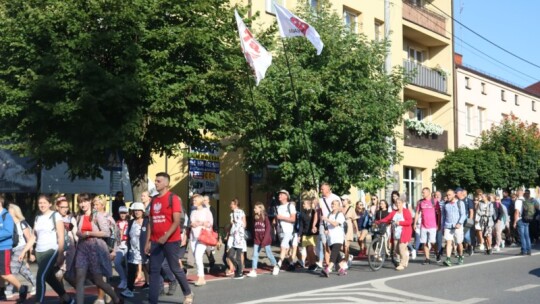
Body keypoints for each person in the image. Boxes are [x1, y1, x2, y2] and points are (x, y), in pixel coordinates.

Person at [144, 172, 193, 304]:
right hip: (155, 241)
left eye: (159, 181)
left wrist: (165, 236)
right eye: (155, 180)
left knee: (174, 267)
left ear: (166, 183)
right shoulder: (153, 200)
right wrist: (148, 241)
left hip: (171, 240)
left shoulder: (173, 198)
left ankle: (187, 293)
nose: (156, 183)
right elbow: (150, 222)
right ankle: (152, 300)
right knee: (153, 271)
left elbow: (176, 221)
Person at [22, 194, 73, 303]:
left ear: (50, 204)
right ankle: (68, 299)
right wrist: (24, 251)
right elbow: (33, 237)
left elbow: (61, 237)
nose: (42, 205)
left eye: (44, 203)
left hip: (51, 250)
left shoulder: (55, 216)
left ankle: (38, 301)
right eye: (40, 203)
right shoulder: (37, 217)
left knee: (40, 276)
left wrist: (60, 254)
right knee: (50, 278)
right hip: (39, 252)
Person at [74, 193, 122, 304]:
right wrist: (79, 233)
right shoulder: (79, 216)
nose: (83, 204)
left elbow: (106, 233)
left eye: (85, 201)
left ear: (90, 201)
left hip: (95, 248)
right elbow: (78, 230)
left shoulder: (98, 215)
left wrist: (88, 233)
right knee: (79, 278)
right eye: (80, 202)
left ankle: (115, 298)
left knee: (98, 281)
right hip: (82, 248)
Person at [0, 194, 30, 303]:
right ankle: (2, 292)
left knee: (5, 273)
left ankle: (22, 288)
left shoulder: (6, 215)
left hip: (4, 248)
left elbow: (8, 232)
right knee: (1, 273)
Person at [5, 204, 36, 299]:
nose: (8, 212)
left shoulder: (22, 223)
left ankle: (8, 290)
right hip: (13, 249)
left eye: (10, 211)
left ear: (15, 212)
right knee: (23, 270)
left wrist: (30, 252)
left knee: (13, 268)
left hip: (21, 248)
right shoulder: (9, 223)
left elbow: (29, 238)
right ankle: (36, 283)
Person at [376, 198, 413, 271]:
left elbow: (409, 222)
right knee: (396, 250)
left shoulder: (406, 211)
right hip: (396, 233)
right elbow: (387, 219)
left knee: (401, 248)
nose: (398, 204)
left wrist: (400, 223)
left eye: (399, 203)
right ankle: (406, 255)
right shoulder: (394, 212)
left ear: (402, 203)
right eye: (397, 203)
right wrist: (378, 222)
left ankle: (402, 264)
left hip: (404, 233)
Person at [121, 202, 146, 298]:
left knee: (148, 269)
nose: (137, 212)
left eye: (139, 210)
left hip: (144, 250)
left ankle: (155, 286)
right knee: (131, 271)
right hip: (133, 251)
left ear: (142, 211)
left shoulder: (146, 222)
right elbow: (128, 236)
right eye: (135, 210)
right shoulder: (131, 222)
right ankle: (129, 289)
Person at [247, 201, 278, 278]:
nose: (254, 209)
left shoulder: (265, 217)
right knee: (255, 255)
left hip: (265, 239)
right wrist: (254, 237)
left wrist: (265, 239)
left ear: (260, 209)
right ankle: (254, 270)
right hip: (257, 240)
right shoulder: (255, 218)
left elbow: (268, 229)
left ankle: (275, 266)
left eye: (255, 208)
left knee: (268, 254)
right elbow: (254, 229)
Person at [189, 194, 213, 286]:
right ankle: (201, 276)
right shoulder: (193, 211)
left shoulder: (206, 211)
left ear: (200, 201)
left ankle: (201, 277)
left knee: (198, 256)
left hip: (203, 236)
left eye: (195, 200)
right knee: (196, 257)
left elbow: (210, 223)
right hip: (194, 237)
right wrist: (193, 224)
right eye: (193, 200)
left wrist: (201, 223)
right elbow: (191, 223)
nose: (193, 201)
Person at [54, 196, 77, 288]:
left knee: (62, 274)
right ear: (57, 207)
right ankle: (64, 296)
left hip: (69, 249)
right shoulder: (53, 218)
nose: (65, 209)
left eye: (66, 207)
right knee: (58, 274)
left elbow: (76, 234)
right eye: (62, 207)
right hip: (57, 248)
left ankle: (78, 291)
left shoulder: (71, 219)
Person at [320, 199, 347, 277]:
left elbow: (335, 224)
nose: (333, 205)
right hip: (331, 238)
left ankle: (328, 269)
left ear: (338, 206)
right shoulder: (329, 214)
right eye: (332, 204)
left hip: (338, 238)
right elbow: (327, 226)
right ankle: (342, 269)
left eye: (335, 204)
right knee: (337, 255)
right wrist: (326, 230)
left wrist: (326, 219)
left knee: (333, 255)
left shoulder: (340, 215)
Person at [317, 183, 341, 269]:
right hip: (323, 224)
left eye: (322, 189)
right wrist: (314, 224)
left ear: (327, 189)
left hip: (333, 224)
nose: (321, 190)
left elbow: (340, 210)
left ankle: (337, 263)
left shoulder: (335, 197)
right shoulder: (320, 200)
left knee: (332, 245)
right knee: (325, 245)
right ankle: (328, 265)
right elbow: (317, 212)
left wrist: (338, 220)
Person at [414, 187, 439, 265]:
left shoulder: (434, 201)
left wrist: (439, 224)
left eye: (423, 192)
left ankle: (437, 252)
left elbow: (439, 213)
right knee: (424, 243)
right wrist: (414, 223)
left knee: (432, 242)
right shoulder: (421, 202)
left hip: (432, 225)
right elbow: (417, 213)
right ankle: (427, 258)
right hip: (423, 226)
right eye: (422, 192)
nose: (422, 194)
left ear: (428, 193)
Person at [442, 189, 467, 266]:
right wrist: (443, 226)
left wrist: (459, 223)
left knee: (459, 242)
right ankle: (448, 259)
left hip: (457, 226)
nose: (447, 196)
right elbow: (444, 216)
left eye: (449, 195)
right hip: (448, 225)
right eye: (447, 195)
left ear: (454, 195)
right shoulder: (445, 204)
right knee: (448, 242)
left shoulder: (460, 203)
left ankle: (460, 256)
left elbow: (463, 215)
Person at [274, 190, 296, 273]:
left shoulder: (290, 206)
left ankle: (278, 264)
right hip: (281, 231)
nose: (279, 195)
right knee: (285, 249)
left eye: (281, 194)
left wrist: (281, 217)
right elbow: (278, 219)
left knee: (283, 247)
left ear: (286, 196)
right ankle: (291, 263)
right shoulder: (278, 207)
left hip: (289, 231)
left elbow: (293, 219)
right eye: (279, 194)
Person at [227, 198, 247, 279]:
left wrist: (238, 224)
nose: (230, 205)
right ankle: (239, 269)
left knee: (238, 255)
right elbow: (232, 225)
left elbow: (244, 224)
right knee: (230, 255)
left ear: (235, 204)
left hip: (239, 236)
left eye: (232, 204)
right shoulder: (232, 214)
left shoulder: (241, 212)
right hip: (233, 236)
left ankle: (239, 273)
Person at [115, 206, 130, 289]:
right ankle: (123, 279)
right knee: (117, 263)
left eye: (124, 213)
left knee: (128, 265)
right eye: (121, 213)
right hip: (119, 245)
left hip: (127, 245)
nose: (123, 214)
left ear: (127, 213)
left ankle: (128, 281)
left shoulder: (130, 222)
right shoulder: (116, 223)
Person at [513, 189, 531, 255]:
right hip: (527, 219)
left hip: (520, 219)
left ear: (518, 193)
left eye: (516, 192)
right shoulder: (526, 200)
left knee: (522, 236)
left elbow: (517, 212)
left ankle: (524, 250)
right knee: (527, 235)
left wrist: (515, 222)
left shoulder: (518, 201)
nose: (515, 193)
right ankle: (529, 250)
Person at [341, 195, 358, 266]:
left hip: (348, 227)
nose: (342, 201)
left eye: (344, 200)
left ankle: (345, 261)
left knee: (346, 246)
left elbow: (354, 220)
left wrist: (357, 230)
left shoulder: (351, 209)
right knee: (340, 246)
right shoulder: (340, 208)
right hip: (341, 227)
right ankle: (349, 256)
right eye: (341, 199)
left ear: (347, 200)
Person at [202, 195, 217, 271]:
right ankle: (209, 261)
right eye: (203, 200)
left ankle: (211, 260)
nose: (204, 201)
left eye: (205, 200)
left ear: (208, 201)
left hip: (209, 230)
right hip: (202, 230)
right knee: (203, 247)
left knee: (207, 248)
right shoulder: (201, 209)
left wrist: (215, 230)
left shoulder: (212, 209)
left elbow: (214, 220)